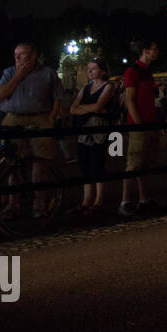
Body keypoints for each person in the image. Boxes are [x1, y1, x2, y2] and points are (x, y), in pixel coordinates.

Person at [0, 42, 63, 219]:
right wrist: (18, 77)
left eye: (21, 54)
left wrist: (52, 117)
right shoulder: (9, 72)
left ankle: (40, 204)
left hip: (40, 118)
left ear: (33, 56)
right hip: (13, 118)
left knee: (40, 164)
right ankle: (13, 204)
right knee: (12, 164)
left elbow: (58, 98)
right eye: (15, 54)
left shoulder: (48, 73)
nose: (17, 57)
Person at [119, 38, 162, 218]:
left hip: (149, 122)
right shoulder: (133, 71)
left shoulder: (147, 72)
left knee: (143, 163)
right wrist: (138, 122)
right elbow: (130, 98)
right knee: (133, 163)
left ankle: (144, 198)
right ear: (145, 51)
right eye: (154, 48)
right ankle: (125, 201)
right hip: (140, 124)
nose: (157, 52)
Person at [69, 58, 116, 216]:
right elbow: (72, 109)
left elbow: (99, 106)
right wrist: (91, 109)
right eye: (89, 69)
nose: (89, 72)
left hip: (98, 129)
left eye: (93, 69)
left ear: (102, 71)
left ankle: (98, 201)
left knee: (97, 162)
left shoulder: (108, 86)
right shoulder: (86, 88)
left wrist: (85, 108)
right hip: (84, 129)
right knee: (85, 164)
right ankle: (86, 200)